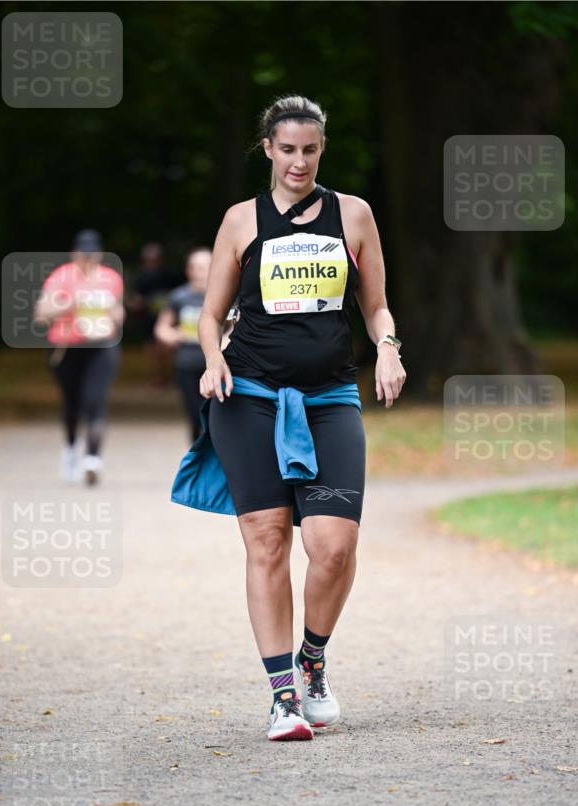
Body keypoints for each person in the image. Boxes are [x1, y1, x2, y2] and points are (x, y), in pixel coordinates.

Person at [171, 95, 406, 741]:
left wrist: (386, 349)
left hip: (329, 397)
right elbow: (208, 314)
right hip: (246, 396)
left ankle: (312, 660)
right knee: (267, 540)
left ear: (319, 149)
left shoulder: (352, 215)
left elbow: (377, 307)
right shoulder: (240, 221)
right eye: (286, 149)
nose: (298, 161)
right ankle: (282, 698)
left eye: (309, 150)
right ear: (267, 150)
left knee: (332, 548)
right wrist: (213, 361)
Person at [35, 229, 124, 486]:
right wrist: (71, 302)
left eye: (92, 254)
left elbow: (119, 312)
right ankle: (71, 448)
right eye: (84, 254)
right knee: (72, 404)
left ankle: (93, 459)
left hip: (101, 347)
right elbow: (41, 314)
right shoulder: (61, 276)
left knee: (95, 400)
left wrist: (113, 316)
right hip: (67, 348)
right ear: (75, 253)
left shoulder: (111, 278)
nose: (88, 259)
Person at [155, 247, 236, 443]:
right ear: (189, 270)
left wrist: (224, 340)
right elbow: (162, 327)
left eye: (207, 266)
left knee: (218, 416)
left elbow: (235, 326)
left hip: (218, 365)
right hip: (187, 364)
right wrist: (172, 335)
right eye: (197, 267)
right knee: (195, 414)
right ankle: (197, 455)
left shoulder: (226, 295)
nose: (202, 272)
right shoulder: (179, 297)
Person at [129, 242, 182, 388]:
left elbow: (178, 293)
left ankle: (171, 377)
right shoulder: (142, 275)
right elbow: (136, 296)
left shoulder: (170, 273)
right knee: (152, 351)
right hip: (148, 319)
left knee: (167, 349)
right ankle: (158, 378)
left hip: (167, 317)